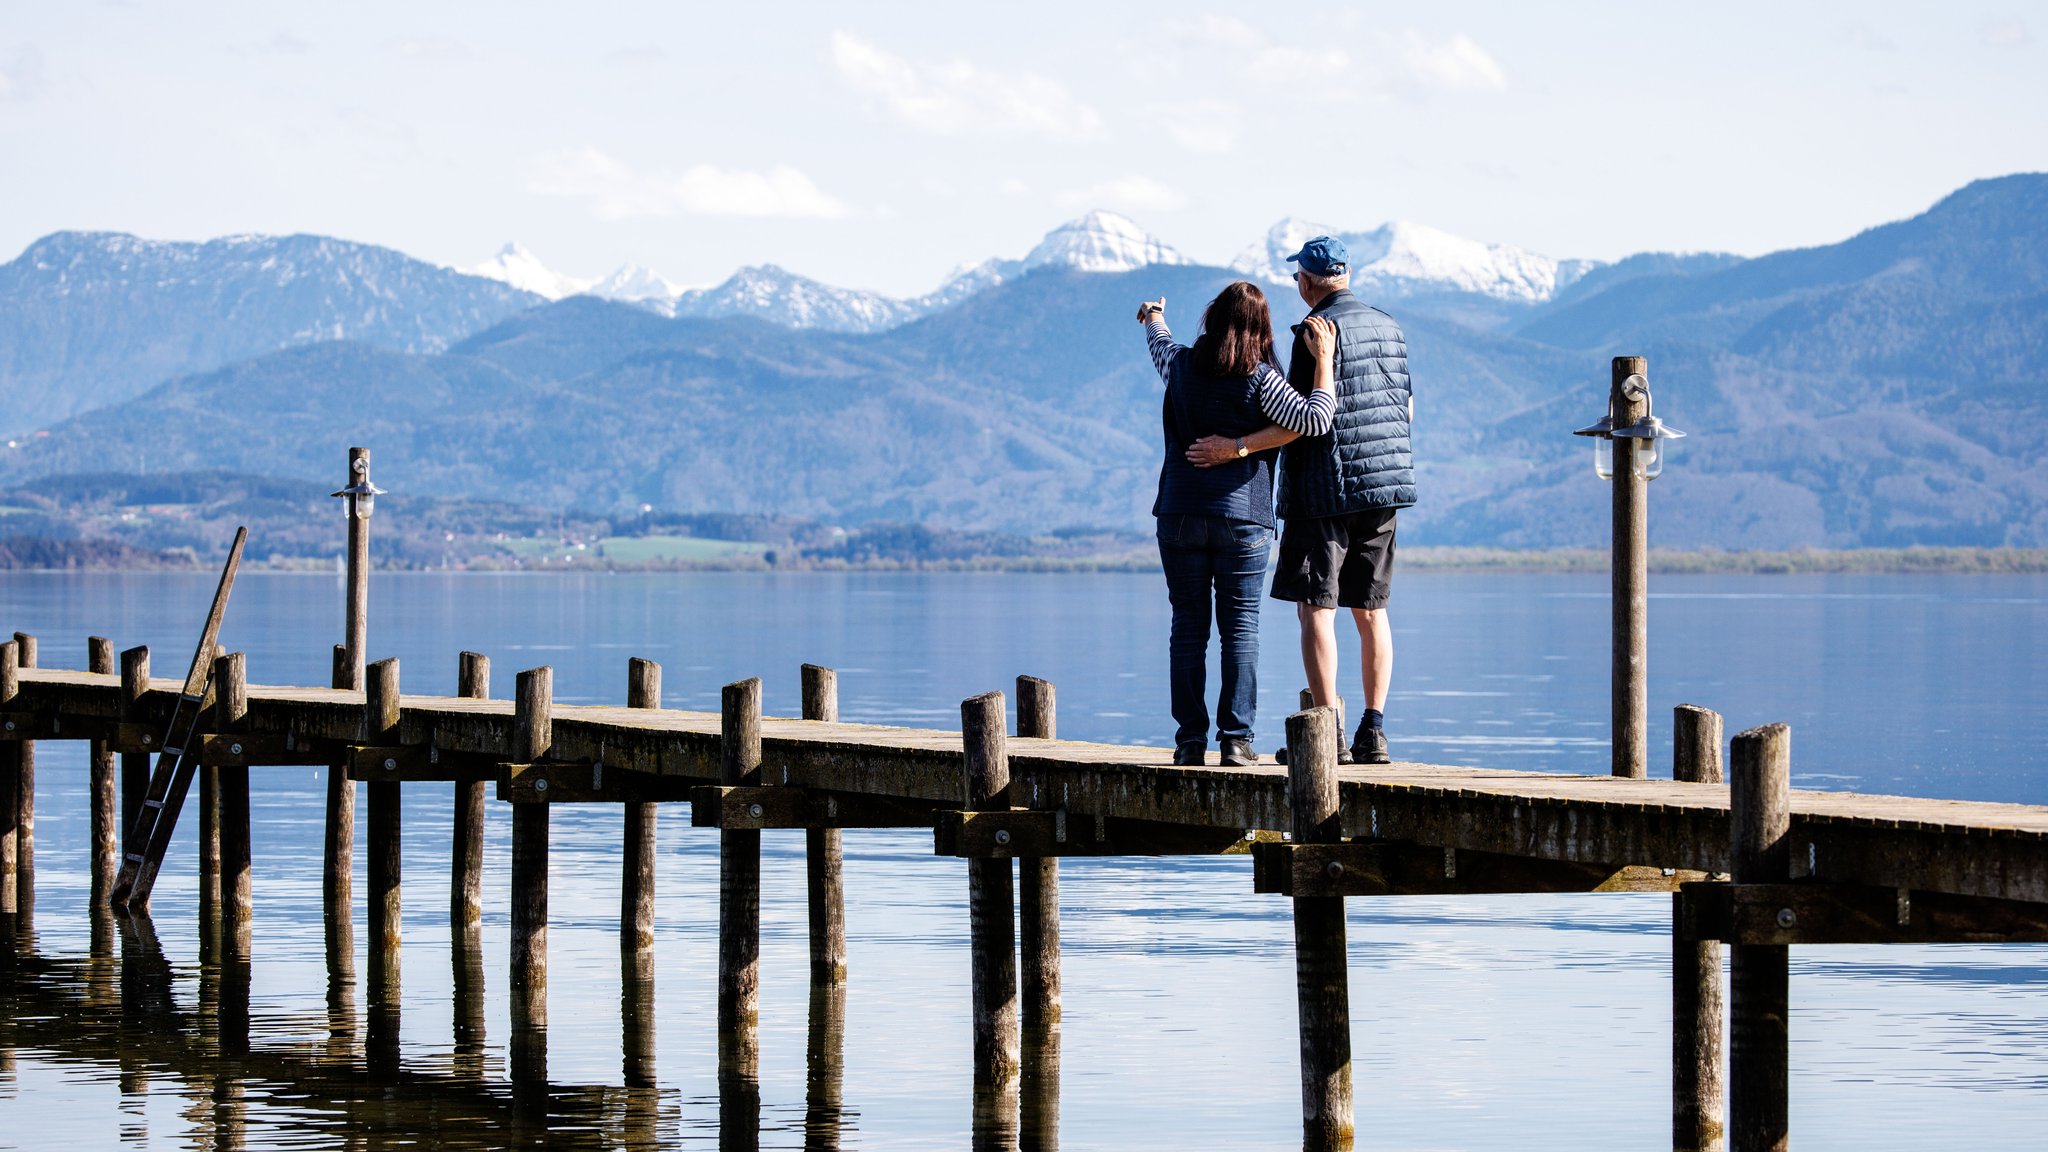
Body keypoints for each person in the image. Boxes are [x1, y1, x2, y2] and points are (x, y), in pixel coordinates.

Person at [1187, 236, 1413, 765]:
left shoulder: (1312, 333)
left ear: (1309, 281)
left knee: (1318, 610)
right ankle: (1373, 731)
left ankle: (1326, 733)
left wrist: (1236, 447)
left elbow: (1299, 421)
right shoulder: (1392, 329)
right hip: (1385, 486)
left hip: (1321, 488)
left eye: (1297, 279)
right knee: (1372, 610)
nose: (1297, 287)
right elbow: (1406, 410)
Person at [1140, 282, 1336, 766]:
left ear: (1212, 320)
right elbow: (1315, 419)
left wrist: (1152, 316)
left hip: (1179, 514)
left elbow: (1159, 343)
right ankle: (1235, 740)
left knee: (1188, 627)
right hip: (1242, 519)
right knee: (1240, 630)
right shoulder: (1262, 380)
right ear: (1261, 329)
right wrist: (1325, 361)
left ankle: (1189, 742)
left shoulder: (1180, 367)